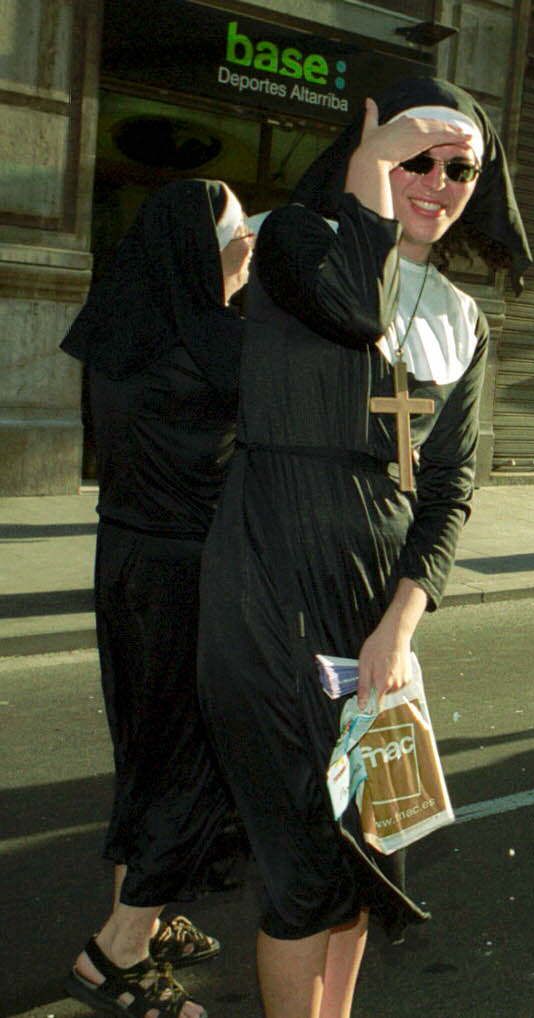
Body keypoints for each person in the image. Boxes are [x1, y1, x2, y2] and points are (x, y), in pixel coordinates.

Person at [195, 78, 530, 1018]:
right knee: (304, 864)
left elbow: (452, 489)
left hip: (372, 609)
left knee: (365, 855)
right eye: (415, 154)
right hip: (268, 580)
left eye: (459, 165)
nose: (438, 179)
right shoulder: (300, 245)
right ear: (368, 148)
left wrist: (401, 625)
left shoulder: (464, 319)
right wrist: (369, 175)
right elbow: (354, 299)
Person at [59, 179, 252, 1018]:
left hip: (126, 557)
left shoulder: (124, 322)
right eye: (240, 233)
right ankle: (120, 952)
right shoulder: (212, 339)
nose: (249, 246)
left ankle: (135, 911)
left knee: (144, 748)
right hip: (187, 574)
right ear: (203, 250)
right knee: (190, 758)